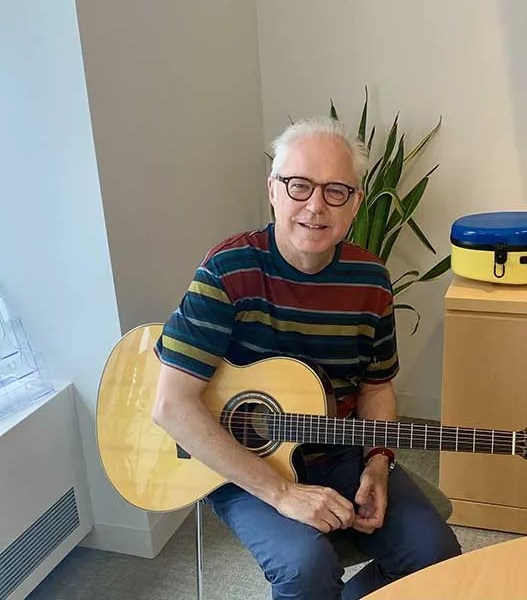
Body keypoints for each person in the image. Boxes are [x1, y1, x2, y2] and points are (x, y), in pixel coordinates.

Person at [152, 116, 461, 600]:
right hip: (242, 461)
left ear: (355, 203)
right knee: (305, 568)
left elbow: (376, 386)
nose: (315, 206)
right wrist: (281, 494)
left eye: (336, 190)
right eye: (298, 186)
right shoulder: (227, 270)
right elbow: (172, 406)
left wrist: (378, 465)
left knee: (435, 556)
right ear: (273, 190)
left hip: (336, 449)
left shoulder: (370, 280)